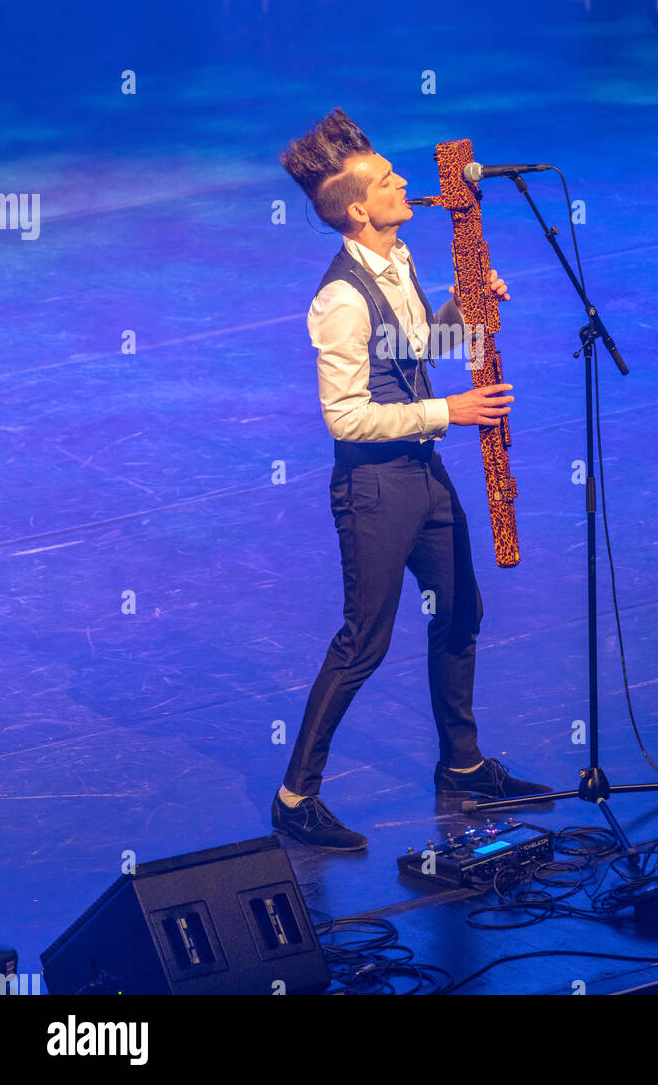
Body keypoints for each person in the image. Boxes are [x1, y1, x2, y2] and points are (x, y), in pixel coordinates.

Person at [274, 108, 551, 849]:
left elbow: (420, 344)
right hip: (374, 489)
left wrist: (469, 306)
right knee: (363, 641)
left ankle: (460, 766)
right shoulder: (338, 299)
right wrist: (449, 409)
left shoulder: (395, 264)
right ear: (359, 210)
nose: (404, 182)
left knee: (459, 612)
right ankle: (295, 796)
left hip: (422, 471)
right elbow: (345, 417)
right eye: (389, 179)